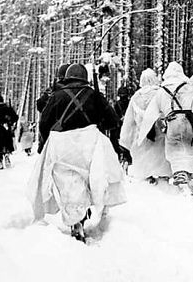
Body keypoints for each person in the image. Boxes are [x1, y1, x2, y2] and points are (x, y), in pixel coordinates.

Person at [28, 63, 126, 243]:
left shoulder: (56, 95)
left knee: (69, 184)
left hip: (63, 147)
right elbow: (113, 120)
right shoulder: (94, 95)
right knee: (92, 180)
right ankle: (88, 212)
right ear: (85, 78)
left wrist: (48, 142)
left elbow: (44, 124)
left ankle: (76, 221)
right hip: (89, 144)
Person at [137, 62, 193, 186]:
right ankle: (190, 175)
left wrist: (142, 134)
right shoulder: (189, 88)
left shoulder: (162, 91)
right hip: (189, 123)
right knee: (191, 147)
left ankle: (179, 173)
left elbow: (150, 114)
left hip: (172, 123)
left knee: (174, 148)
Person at [119, 69, 171, 181]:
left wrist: (125, 140)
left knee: (145, 161)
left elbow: (129, 121)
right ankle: (164, 180)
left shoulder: (136, 97)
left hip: (142, 136)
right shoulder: (162, 94)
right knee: (161, 160)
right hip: (160, 135)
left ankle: (148, 180)